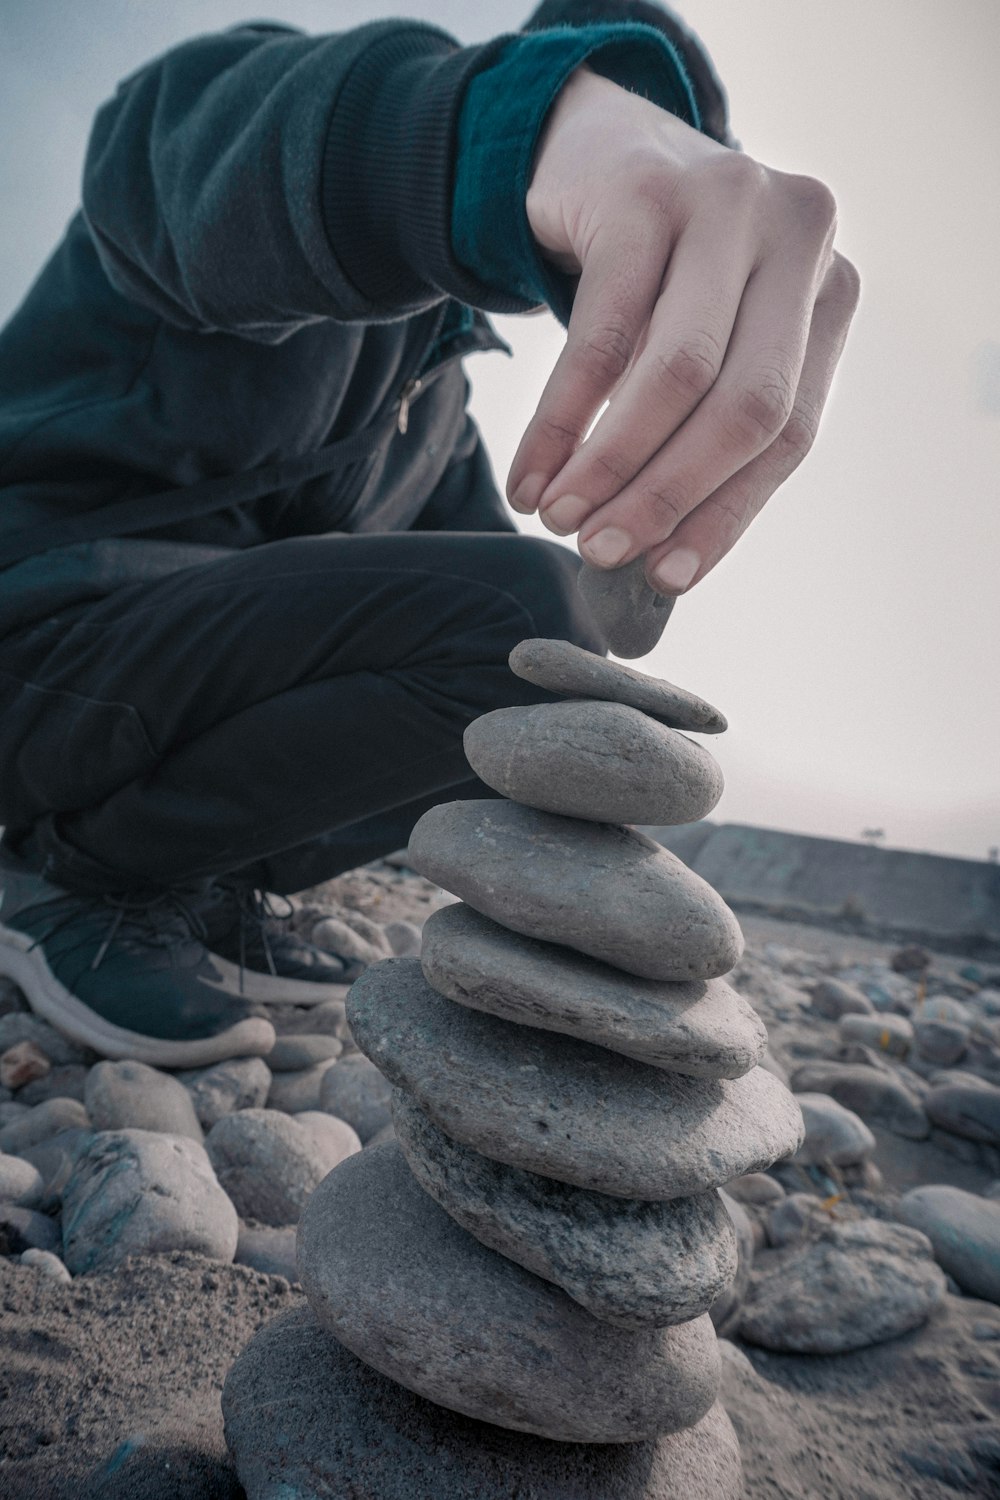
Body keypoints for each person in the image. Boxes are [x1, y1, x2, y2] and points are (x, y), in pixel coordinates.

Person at [0, 1, 858, 1067]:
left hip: (147, 691)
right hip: (36, 646)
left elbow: (500, 639)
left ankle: (194, 866)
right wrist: (517, 130)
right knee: (529, 622)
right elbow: (202, 142)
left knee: (548, 671)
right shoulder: (255, 127)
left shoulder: (433, 399)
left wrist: (619, 572)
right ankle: (78, 877)